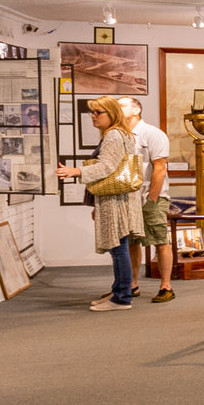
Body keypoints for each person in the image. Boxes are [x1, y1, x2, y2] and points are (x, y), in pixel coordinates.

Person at [55, 96, 144, 311]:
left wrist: (75, 171)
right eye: (92, 112)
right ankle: (118, 292)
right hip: (118, 198)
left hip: (115, 200)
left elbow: (106, 167)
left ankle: (122, 298)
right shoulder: (121, 133)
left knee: (118, 247)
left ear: (112, 114)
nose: (93, 117)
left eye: (98, 113)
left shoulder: (114, 135)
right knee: (118, 246)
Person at [118, 97, 176, 303]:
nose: (118, 108)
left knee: (160, 240)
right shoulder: (119, 135)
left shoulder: (153, 134)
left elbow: (160, 168)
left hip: (152, 196)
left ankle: (166, 286)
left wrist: (152, 197)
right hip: (129, 197)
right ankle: (132, 284)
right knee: (132, 241)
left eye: (122, 105)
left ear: (136, 109)